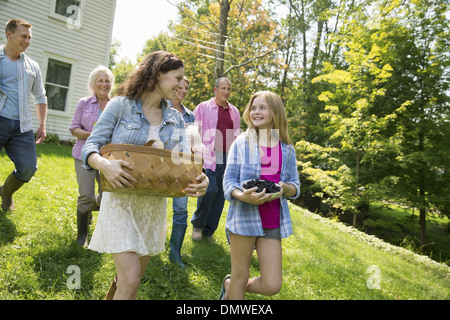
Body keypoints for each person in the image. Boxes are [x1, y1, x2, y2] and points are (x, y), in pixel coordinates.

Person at [81, 51, 208, 300]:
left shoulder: (176, 118)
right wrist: (104, 165)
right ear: (159, 74)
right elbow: (90, 146)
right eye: (177, 77)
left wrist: (201, 179)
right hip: (120, 202)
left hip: (152, 208)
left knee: (128, 280)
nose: (182, 84)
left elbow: (183, 163)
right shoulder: (121, 105)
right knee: (131, 281)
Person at [218, 91, 300, 300]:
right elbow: (229, 182)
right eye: (253, 107)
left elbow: (295, 186)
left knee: (272, 284)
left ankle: (230, 287)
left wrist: (285, 188)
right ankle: (233, 286)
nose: (256, 111)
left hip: (271, 221)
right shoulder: (241, 143)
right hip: (244, 218)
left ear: (275, 112)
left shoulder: (287, 150)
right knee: (240, 275)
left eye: (262, 107)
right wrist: (242, 195)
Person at [0, 19, 47, 212]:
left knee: (28, 168)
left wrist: (42, 125)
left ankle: (6, 192)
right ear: (9, 34)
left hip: (22, 126)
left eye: (30, 37)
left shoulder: (32, 66)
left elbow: (40, 96)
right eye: (24, 36)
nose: (27, 41)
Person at [69, 65, 114, 246]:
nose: (104, 84)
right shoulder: (84, 103)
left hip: (108, 158)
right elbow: (74, 129)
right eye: (100, 81)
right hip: (84, 155)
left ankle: (92, 218)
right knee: (86, 196)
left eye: (107, 80)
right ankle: (82, 237)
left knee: (107, 198)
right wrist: (93, 135)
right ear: (93, 84)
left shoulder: (116, 104)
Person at [191, 77, 240, 241]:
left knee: (220, 194)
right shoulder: (203, 107)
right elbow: (194, 131)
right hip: (207, 155)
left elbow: (236, 136)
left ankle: (209, 231)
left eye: (228, 89)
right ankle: (198, 225)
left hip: (227, 157)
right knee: (209, 190)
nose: (226, 92)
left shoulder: (234, 111)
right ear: (215, 89)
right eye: (223, 88)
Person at [167, 76, 195, 268]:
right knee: (154, 207)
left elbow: (193, 141)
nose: (183, 91)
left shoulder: (190, 116)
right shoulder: (159, 107)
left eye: (186, 88)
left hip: (182, 167)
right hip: (158, 165)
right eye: (180, 87)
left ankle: (174, 253)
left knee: (181, 210)